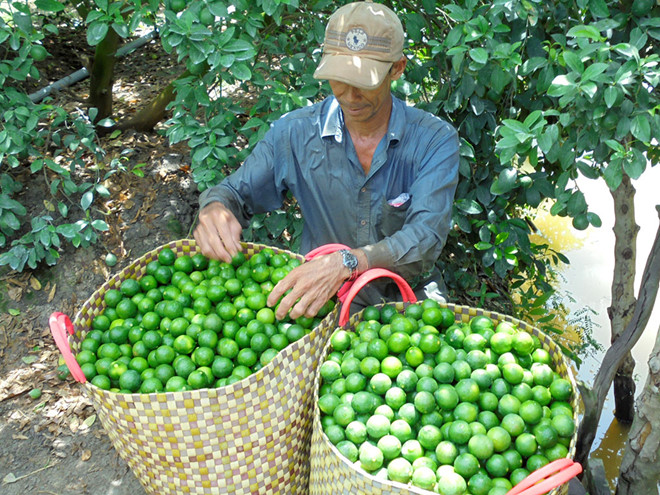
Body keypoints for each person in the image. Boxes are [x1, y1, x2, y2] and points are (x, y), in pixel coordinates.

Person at [194, 0, 459, 321]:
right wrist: (215, 207)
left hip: (405, 299)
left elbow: (425, 238)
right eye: (338, 78)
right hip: (321, 300)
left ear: (397, 68)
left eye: (364, 82)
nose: (348, 94)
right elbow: (234, 194)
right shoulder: (295, 133)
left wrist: (348, 262)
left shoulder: (433, 139)